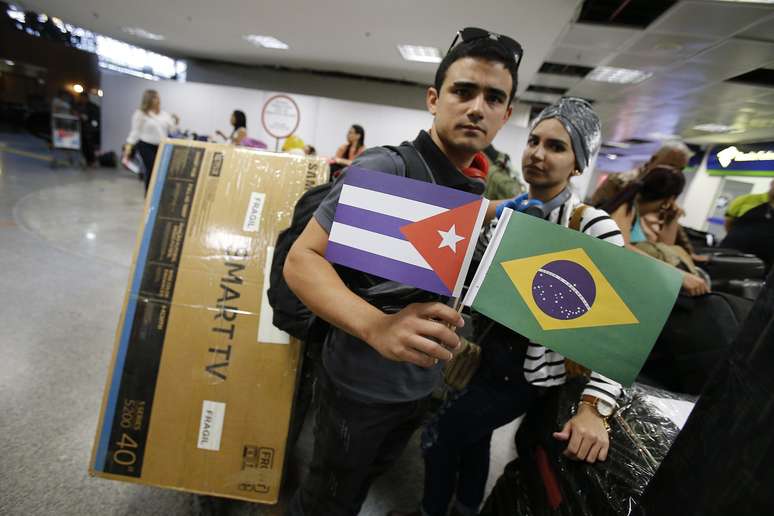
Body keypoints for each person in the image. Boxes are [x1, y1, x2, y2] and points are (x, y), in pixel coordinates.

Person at [283, 27, 523, 516]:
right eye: (463, 91)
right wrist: (377, 325)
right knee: (328, 501)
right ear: (434, 99)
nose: (477, 107)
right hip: (358, 387)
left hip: (415, 389)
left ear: (506, 115)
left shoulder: (469, 185)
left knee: (366, 482)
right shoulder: (388, 170)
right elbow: (301, 262)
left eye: (493, 97)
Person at [391, 98, 623, 516]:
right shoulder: (506, 213)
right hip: (484, 353)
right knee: (473, 440)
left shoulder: (591, 226)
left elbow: (621, 328)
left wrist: (595, 407)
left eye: (556, 146)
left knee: (440, 436)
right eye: (533, 140)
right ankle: (464, 508)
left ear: (577, 163)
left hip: (526, 372)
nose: (537, 153)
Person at [602, 166, 710, 296]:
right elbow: (620, 247)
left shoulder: (634, 210)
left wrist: (672, 220)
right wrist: (676, 274)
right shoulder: (625, 208)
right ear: (670, 199)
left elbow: (665, 246)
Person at [590, 141, 693, 208]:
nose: (674, 172)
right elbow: (593, 209)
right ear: (653, 160)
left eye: (680, 169)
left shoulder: (667, 199)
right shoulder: (619, 181)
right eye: (670, 165)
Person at [123, 89, 178, 194]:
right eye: (155, 97)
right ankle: (149, 196)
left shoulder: (164, 114)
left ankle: (158, 195)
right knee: (152, 170)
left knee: (162, 171)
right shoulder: (140, 114)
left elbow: (172, 129)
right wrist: (128, 147)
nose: (158, 100)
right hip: (146, 145)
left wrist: (175, 121)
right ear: (149, 99)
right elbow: (135, 132)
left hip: (161, 146)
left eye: (158, 97)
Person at [721, 180, 774, 273]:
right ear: (772, 183)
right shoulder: (745, 200)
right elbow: (728, 223)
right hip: (731, 255)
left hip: (764, 264)